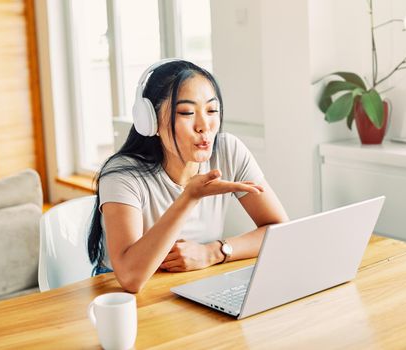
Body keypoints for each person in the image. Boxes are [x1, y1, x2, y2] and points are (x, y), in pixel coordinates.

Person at [87, 59, 289, 293]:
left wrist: (212, 252)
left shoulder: (228, 150)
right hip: (121, 296)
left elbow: (279, 231)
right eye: (187, 112)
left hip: (193, 282)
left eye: (212, 110)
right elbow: (130, 277)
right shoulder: (122, 175)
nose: (204, 125)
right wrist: (189, 197)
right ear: (149, 120)